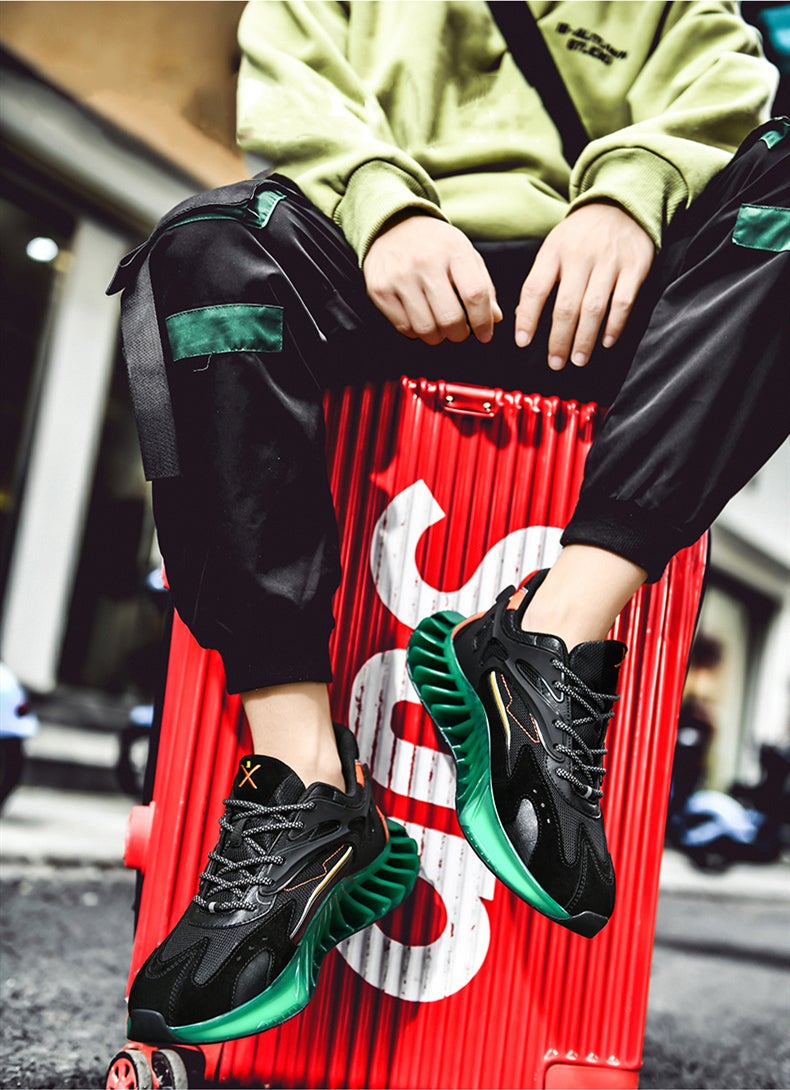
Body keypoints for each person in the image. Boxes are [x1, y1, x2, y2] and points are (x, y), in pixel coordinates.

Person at [117, 0, 788, 1044]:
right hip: (375, 271)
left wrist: (630, 190)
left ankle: (550, 633)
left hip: (597, 296)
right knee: (201, 251)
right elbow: (289, 73)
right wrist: (383, 206)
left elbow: (727, 84)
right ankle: (302, 781)